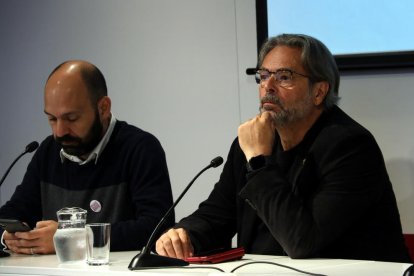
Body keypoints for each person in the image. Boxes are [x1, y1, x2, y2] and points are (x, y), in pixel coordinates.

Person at [156, 34, 411, 263]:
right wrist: (184, 234)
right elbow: (217, 216)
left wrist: (258, 161)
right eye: (264, 75)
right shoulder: (248, 144)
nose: (268, 86)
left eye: (284, 77)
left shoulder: (350, 147)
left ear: (319, 92)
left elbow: (303, 242)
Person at [0, 60, 174, 255]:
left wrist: (74, 239)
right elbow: (14, 212)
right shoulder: (48, 151)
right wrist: (7, 236)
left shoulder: (140, 148)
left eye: (71, 118)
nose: (59, 131)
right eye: (52, 119)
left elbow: (157, 226)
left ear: (103, 108)